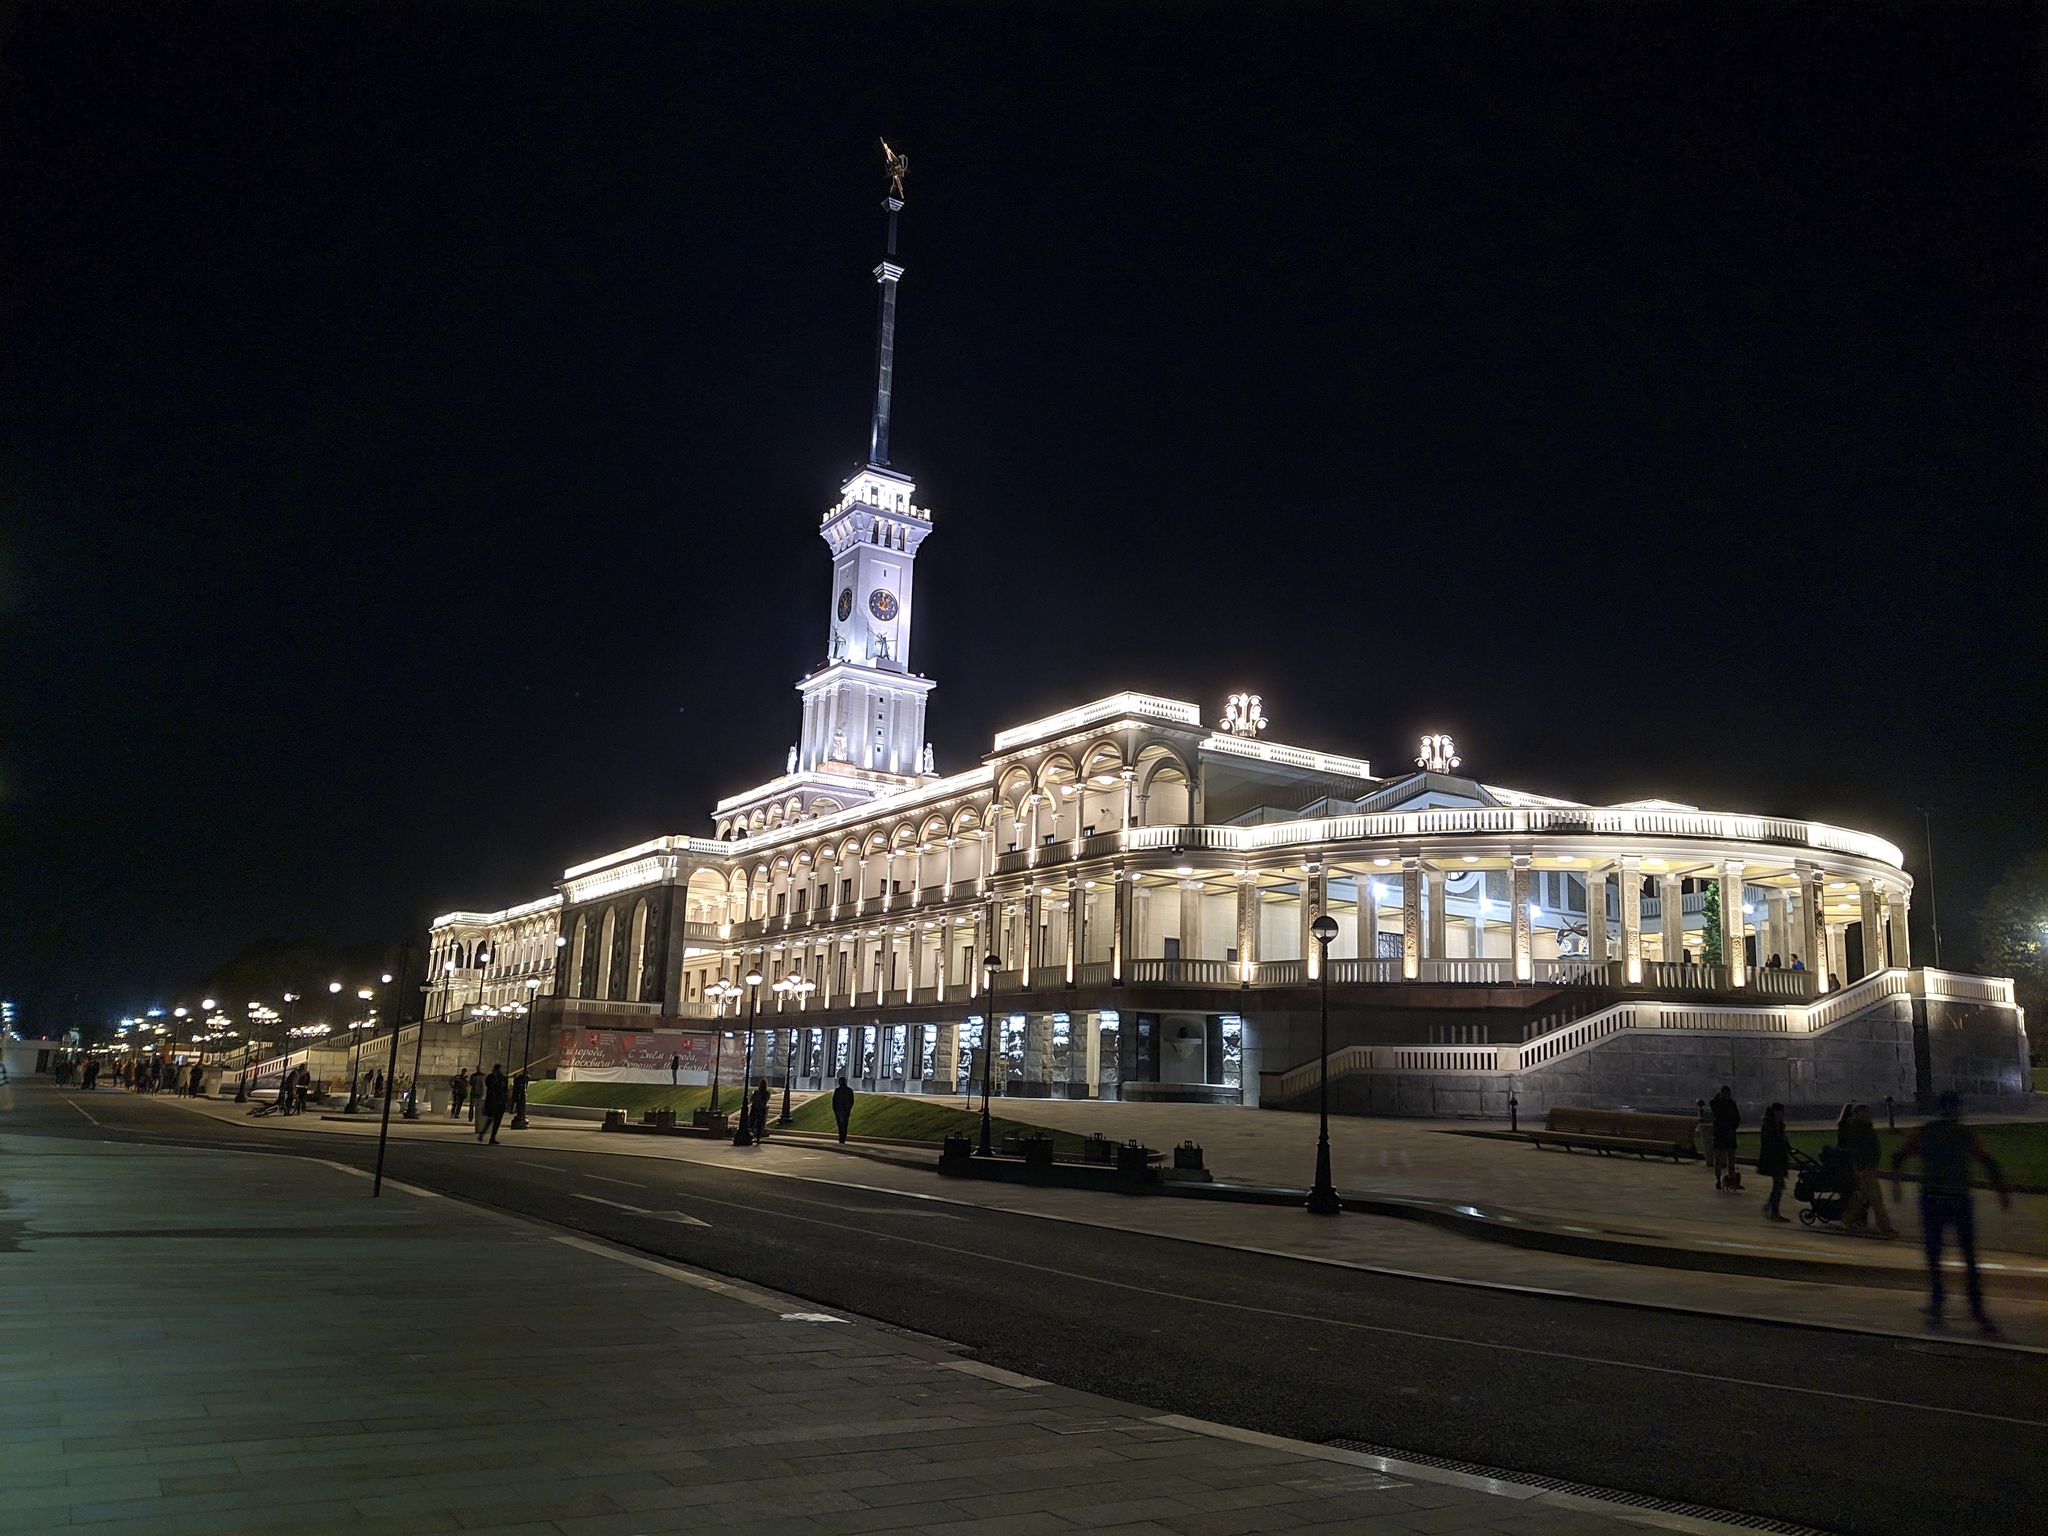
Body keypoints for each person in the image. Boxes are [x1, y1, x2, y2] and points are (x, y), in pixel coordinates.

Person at [1891, 1092, 2010, 1336]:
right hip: (1958, 1199)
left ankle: (1938, 1305)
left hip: (1934, 1199)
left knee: (1936, 1255)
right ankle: (1975, 1308)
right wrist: (2002, 1193)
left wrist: (1897, 1186)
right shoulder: (1963, 1134)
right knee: (1968, 1257)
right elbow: (1989, 1162)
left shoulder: (1926, 1133)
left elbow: (1898, 1157)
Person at [1840, 1104, 1895, 1237]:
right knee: (1876, 1199)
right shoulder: (1856, 1129)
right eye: (1866, 1113)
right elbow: (1855, 1150)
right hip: (1864, 1169)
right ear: (1858, 1114)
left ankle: (1847, 1220)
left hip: (1868, 1168)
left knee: (1859, 1197)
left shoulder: (1864, 1128)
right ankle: (1885, 1227)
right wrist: (1859, 1167)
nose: (1869, 1115)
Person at [1758, 1102, 1792, 1222]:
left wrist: (1789, 1149)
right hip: (1773, 1159)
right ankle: (1773, 1211)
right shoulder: (1769, 1125)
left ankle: (1770, 1207)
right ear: (1776, 1112)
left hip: (1778, 1159)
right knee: (1778, 1185)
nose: (1784, 1114)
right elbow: (1771, 1143)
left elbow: (1783, 1141)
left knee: (1779, 1185)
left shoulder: (1779, 1125)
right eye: (1782, 1111)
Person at [1709, 1086, 1741, 1191]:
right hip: (1721, 1135)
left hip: (1728, 1135)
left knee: (1730, 1160)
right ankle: (1718, 1179)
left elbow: (1737, 1117)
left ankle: (1731, 1178)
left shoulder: (1731, 1104)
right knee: (1719, 1159)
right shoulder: (1717, 1104)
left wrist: (1733, 1128)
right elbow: (1713, 1105)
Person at [476, 1063, 508, 1145]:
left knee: (495, 1121)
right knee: (491, 1119)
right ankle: (485, 1134)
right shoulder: (491, 1077)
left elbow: (505, 1090)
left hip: (499, 1101)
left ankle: (491, 1136)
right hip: (493, 1101)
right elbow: (489, 1086)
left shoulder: (502, 1078)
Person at [832, 1074, 854, 1144]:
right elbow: (852, 1101)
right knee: (845, 1124)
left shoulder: (838, 1091)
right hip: (846, 1110)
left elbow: (834, 1100)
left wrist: (835, 1109)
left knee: (840, 1125)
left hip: (839, 1110)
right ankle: (843, 1138)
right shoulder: (849, 1090)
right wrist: (849, 1108)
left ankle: (841, 1138)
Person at [750, 1077, 770, 1142]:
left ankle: (751, 1136)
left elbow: (751, 1099)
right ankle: (758, 1138)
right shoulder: (767, 1093)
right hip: (762, 1109)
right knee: (759, 1124)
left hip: (755, 1108)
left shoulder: (756, 1092)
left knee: (752, 1123)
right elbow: (766, 1101)